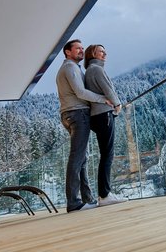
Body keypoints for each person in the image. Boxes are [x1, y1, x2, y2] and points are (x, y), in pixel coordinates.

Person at [56, 39, 112, 212]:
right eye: (77, 48)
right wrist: (104, 99)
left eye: (82, 48)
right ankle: (73, 202)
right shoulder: (70, 68)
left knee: (82, 157)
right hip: (77, 113)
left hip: (71, 113)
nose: (81, 51)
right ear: (67, 52)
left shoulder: (72, 68)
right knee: (77, 157)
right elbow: (80, 92)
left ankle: (86, 199)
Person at [84, 44, 127, 206]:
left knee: (105, 154)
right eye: (101, 51)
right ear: (92, 54)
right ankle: (104, 194)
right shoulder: (96, 69)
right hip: (103, 114)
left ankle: (104, 193)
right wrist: (117, 104)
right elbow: (108, 89)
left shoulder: (89, 70)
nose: (105, 54)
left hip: (96, 116)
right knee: (107, 155)